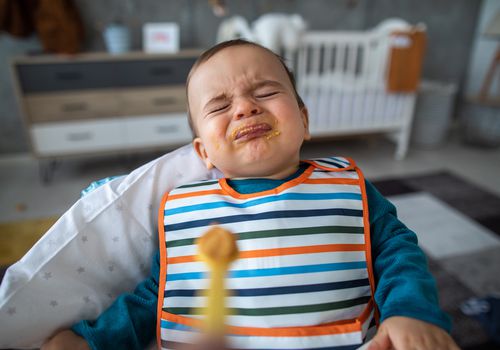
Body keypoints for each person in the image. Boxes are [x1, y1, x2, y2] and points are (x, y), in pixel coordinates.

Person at [42, 39, 459, 350]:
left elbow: (398, 254)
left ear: (304, 119)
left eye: (265, 92)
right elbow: (159, 294)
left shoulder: (346, 186)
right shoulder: (187, 207)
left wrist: (410, 311)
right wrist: (93, 342)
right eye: (219, 106)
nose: (244, 107)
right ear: (204, 151)